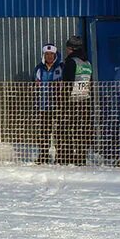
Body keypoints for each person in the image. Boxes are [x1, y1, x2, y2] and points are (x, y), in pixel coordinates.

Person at [56, 34, 95, 164]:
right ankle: (81, 156)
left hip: (71, 102)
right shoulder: (87, 63)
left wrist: (62, 101)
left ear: (71, 48)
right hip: (85, 101)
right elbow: (91, 83)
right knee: (82, 131)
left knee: (64, 129)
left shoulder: (71, 62)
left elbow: (67, 83)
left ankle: (64, 156)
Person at [30, 44, 63, 163]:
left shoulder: (60, 68)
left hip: (58, 105)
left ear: (55, 55)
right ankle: (43, 154)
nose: (49, 56)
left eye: (51, 54)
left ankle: (60, 155)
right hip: (43, 105)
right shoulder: (39, 68)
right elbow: (34, 84)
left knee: (59, 131)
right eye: (47, 54)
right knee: (44, 131)